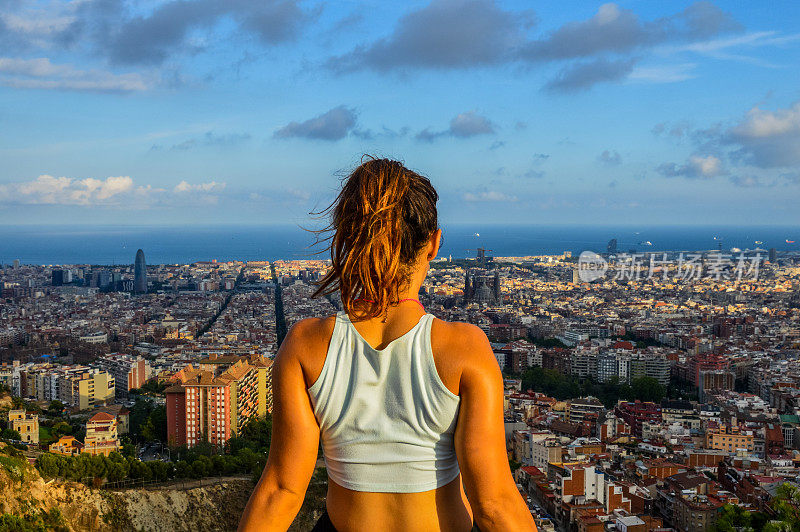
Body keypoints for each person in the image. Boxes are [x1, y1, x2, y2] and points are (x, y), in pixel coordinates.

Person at [238, 157, 536, 531]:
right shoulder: (463, 348)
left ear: (349, 240)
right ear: (434, 244)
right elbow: (493, 503)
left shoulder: (305, 345)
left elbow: (281, 490)